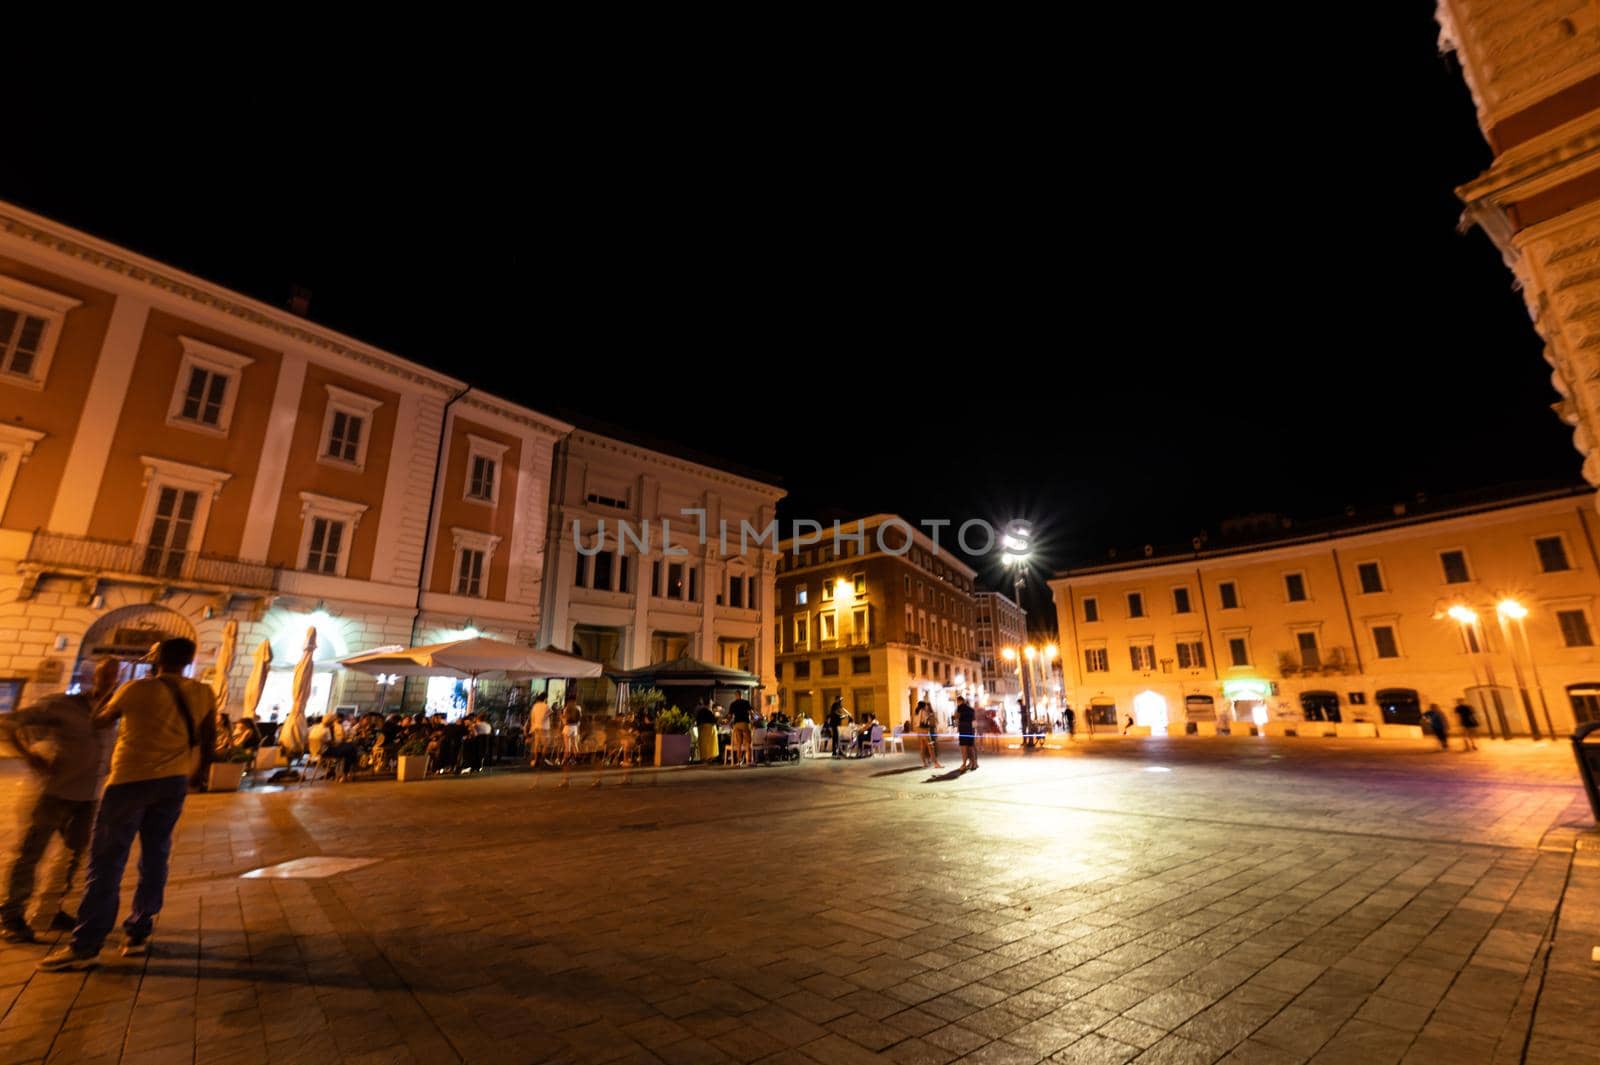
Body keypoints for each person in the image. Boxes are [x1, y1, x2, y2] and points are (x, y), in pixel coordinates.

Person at [40, 638, 217, 971]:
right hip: (174, 782)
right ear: (189, 660)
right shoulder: (203, 692)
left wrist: (110, 688)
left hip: (129, 781)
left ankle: (87, 943)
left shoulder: (136, 689)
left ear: (156, 658)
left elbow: (99, 721)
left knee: (107, 861)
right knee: (156, 855)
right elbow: (208, 738)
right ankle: (138, 932)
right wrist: (201, 774)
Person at [0, 660, 119, 943]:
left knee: (72, 857)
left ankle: (50, 910)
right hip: (52, 793)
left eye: (115, 675)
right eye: (106, 674)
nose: (110, 680)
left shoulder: (113, 712)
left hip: (88, 797)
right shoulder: (59, 705)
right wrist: (29, 756)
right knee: (30, 854)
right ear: (92, 676)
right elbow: (7, 722)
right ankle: (12, 915)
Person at [526, 690, 551, 768]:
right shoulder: (546, 706)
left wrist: (532, 729)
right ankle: (542, 760)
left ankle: (536, 760)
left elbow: (532, 717)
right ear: (544, 699)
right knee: (545, 745)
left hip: (536, 727)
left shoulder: (535, 706)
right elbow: (551, 713)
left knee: (536, 745)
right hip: (545, 728)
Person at [915, 700, 942, 769]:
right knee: (930, 746)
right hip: (924, 730)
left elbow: (917, 722)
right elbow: (926, 721)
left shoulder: (917, 712)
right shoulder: (923, 712)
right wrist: (930, 716)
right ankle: (936, 763)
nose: (927, 706)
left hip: (919, 730)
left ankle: (924, 763)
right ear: (924, 706)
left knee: (923, 747)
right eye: (926, 705)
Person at [729, 695, 754, 767]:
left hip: (736, 724)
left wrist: (728, 722)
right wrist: (752, 719)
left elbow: (730, 716)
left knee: (738, 744)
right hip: (745, 723)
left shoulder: (733, 704)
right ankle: (748, 761)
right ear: (741, 695)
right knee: (747, 743)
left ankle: (739, 762)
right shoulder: (746, 702)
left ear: (735, 696)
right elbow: (751, 712)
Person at [956, 695, 978, 771]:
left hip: (963, 728)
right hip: (970, 729)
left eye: (957, 701)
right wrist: (974, 730)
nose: (957, 703)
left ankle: (964, 764)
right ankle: (974, 763)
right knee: (971, 747)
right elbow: (974, 720)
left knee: (964, 747)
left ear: (960, 701)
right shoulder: (971, 709)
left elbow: (957, 717)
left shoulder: (959, 707)